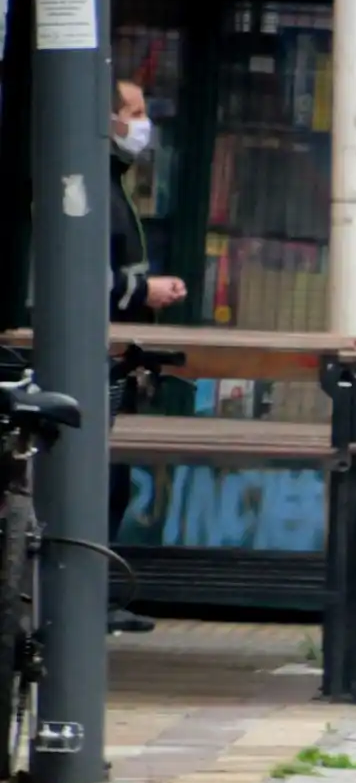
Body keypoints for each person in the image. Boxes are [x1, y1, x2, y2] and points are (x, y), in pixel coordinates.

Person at [107, 77, 188, 634]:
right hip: (99, 348)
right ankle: (89, 596)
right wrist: (144, 292)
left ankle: (99, 595)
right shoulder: (84, 182)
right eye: (133, 112)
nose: (143, 124)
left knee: (115, 473)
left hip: (117, 349)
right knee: (102, 473)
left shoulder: (110, 179)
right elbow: (72, 275)